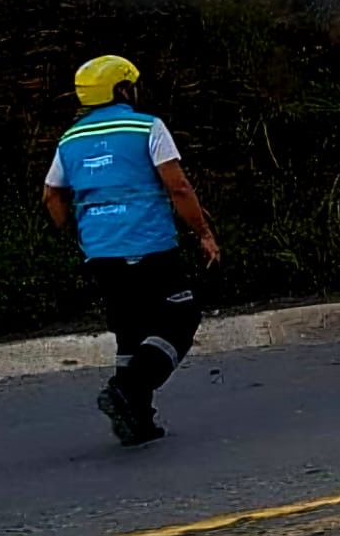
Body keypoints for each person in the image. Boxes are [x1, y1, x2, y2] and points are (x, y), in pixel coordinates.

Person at [41, 55, 220, 445]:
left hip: (101, 253)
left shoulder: (70, 139)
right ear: (122, 89)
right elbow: (179, 188)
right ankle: (127, 390)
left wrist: (77, 231)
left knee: (130, 330)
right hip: (149, 245)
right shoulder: (146, 126)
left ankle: (136, 421)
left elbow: (52, 195)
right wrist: (203, 232)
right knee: (180, 317)